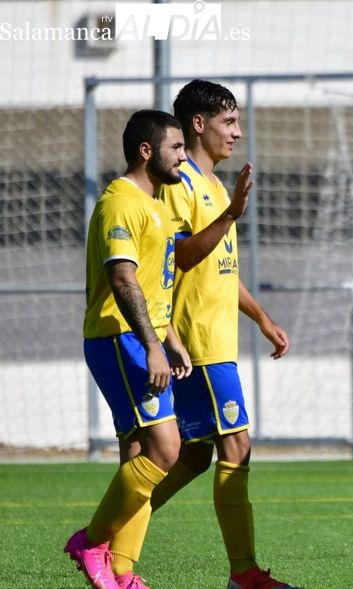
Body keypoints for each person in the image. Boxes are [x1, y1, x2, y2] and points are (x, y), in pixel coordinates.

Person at [108, 80, 299, 589]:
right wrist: (232, 215)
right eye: (228, 122)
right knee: (236, 446)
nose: (238, 133)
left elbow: (221, 268)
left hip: (219, 339)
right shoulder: (181, 183)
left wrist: (261, 318)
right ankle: (245, 574)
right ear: (198, 124)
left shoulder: (213, 185)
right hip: (196, 341)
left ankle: (109, 544)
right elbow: (178, 256)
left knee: (191, 456)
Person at [65, 109, 192, 589]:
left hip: (143, 340)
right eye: (176, 148)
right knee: (165, 449)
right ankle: (91, 542)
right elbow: (122, 279)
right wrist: (150, 347)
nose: (183, 156)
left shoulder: (156, 203)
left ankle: (120, 570)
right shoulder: (121, 202)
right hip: (120, 339)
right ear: (146, 150)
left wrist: (171, 341)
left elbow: (154, 286)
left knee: (138, 452)